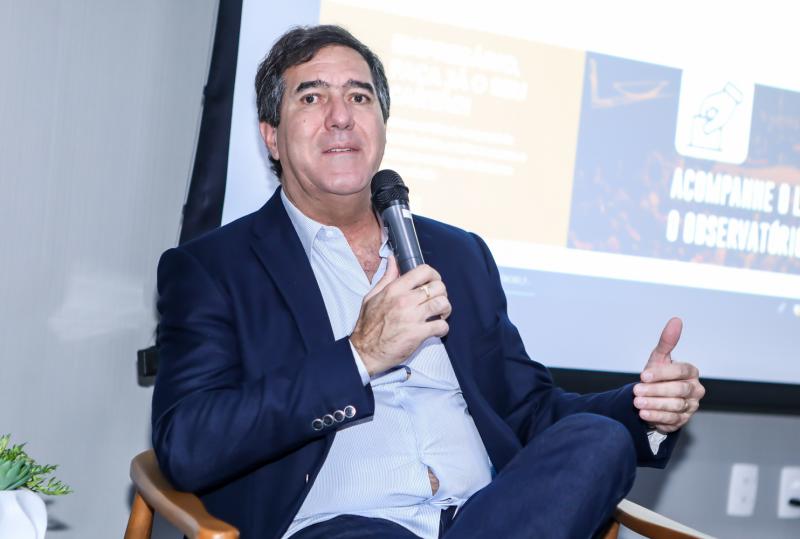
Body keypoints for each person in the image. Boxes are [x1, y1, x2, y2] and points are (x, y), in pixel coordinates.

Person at [152, 25, 705, 539]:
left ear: (382, 126)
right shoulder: (213, 269)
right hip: (343, 527)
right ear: (272, 136)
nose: (341, 117)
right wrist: (360, 355)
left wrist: (645, 408)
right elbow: (189, 444)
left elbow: (528, 410)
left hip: (484, 520)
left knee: (599, 439)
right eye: (312, 97)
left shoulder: (458, 254)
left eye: (360, 97)